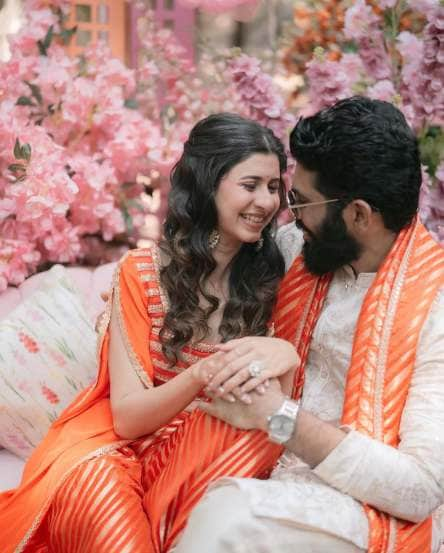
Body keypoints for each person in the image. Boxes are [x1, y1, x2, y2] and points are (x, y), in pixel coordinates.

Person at [0, 113, 300, 552]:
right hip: (111, 452)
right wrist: (201, 375)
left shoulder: (275, 281)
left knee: (248, 439)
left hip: (197, 454)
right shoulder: (142, 273)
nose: (266, 201)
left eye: (274, 187)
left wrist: (285, 353)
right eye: (250, 184)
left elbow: (279, 409)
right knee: (107, 504)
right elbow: (127, 418)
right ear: (207, 185)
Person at [175, 97, 444, 553]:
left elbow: (419, 490)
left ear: (358, 214)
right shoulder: (300, 248)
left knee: (229, 518)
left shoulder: (435, 306)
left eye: (300, 201)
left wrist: (278, 417)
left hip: (362, 505)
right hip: (266, 463)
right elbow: (210, 260)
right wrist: (148, 287)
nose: (289, 215)